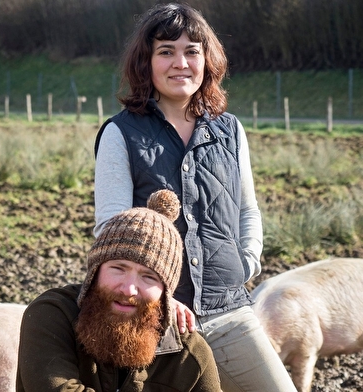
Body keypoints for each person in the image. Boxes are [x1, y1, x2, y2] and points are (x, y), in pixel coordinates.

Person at [93, 3, 298, 392]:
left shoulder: (230, 130)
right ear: (146, 62)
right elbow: (110, 232)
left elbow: (247, 210)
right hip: (155, 321)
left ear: (207, 59)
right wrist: (161, 301)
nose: (180, 63)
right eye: (166, 51)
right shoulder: (121, 134)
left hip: (231, 314)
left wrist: (247, 262)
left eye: (192, 51)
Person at [16, 190, 222, 392]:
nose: (129, 289)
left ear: (165, 291)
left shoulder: (188, 355)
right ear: (95, 271)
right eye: (118, 269)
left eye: (148, 277)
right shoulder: (52, 314)